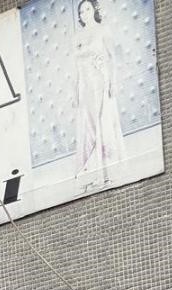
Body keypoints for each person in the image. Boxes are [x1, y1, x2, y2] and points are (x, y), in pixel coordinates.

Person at [74, 0, 126, 188]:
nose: (84, 14)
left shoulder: (103, 30)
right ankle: (93, 174)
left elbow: (112, 57)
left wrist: (113, 82)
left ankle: (109, 173)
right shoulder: (77, 36)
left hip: (101, 84)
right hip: (86, 86)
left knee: (104, 125)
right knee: (89, 129)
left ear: (93, 10)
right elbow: (77, 67)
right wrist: (76, 90)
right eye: (81, 12)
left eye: (87, 9)